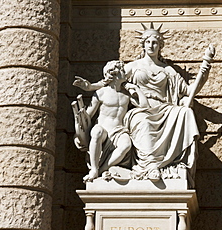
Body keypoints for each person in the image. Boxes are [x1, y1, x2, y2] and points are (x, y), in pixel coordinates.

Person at [122, 23, 213, 187]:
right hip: (141, 109)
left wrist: (204, 70)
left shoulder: (168, 70)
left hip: (165, 109)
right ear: (143, 44)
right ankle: (150, 165)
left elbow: (189, 90)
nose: (151, 45)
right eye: (148, 42)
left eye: (155, 42)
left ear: (160, 46)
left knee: (185, 113)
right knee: (143, 122)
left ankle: (178, 163)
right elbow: (113, 82)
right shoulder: (133, 67)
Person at [72, 60, 149, 182]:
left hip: (119, 130)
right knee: (96, 131)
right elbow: (88, 116)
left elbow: (145, 107)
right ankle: (94, 169)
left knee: (126, 145)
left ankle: (101, 169)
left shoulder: (126, 94)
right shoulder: (101, 93)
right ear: (114, 73)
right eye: (123, 70)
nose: (126, 72)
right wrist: (78, 133)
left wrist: (136, 89)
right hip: (103, 129)